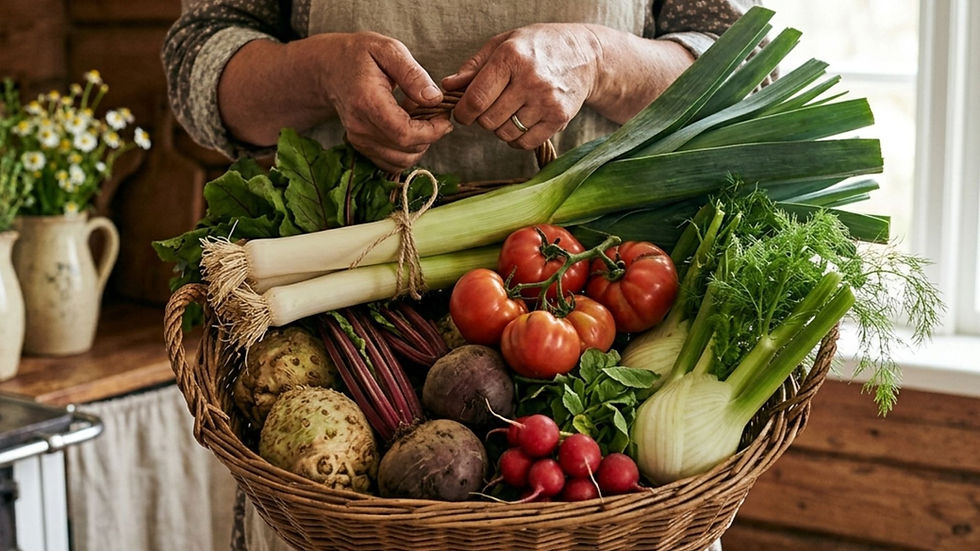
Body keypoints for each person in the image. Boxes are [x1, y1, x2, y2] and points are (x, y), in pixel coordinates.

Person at [163, 1, 762, 549]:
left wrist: (601, 61)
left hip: (597, 283)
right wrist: (320, 74)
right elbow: (197, 60)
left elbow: (750, 70)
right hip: (336, 453)